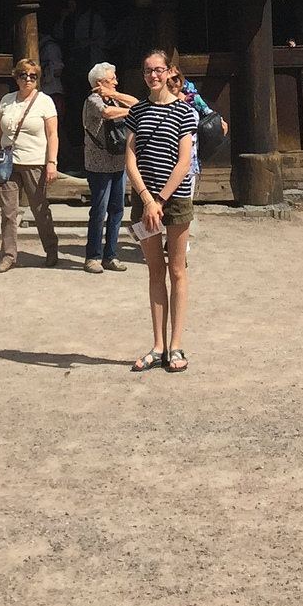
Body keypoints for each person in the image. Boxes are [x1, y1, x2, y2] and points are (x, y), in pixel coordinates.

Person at [125, 49, 197, 373]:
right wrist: (147, 199)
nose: (153, 75)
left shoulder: (184, 112)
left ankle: (176, 345)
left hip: (174, 199)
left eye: (158, 69)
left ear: (169, 72)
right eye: (148, 71)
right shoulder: (137, 112)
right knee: (155, 271)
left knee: (177, 270)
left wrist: (161, 201)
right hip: (144, 201)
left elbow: (184, 162)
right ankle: (158, 345)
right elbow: (130, 160)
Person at [0, 60, 60, 273]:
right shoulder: (6, 100)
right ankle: (8, 255)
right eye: (23, 75)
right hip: (8, 162)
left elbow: (53, 134)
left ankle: (51, 249)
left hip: (35, 162)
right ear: (16, 77)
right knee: (8, 211)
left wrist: (52, 162)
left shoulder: (45, 102)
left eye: (33, 76)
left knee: (40, 209)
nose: (28, 79)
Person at [81, 63, 135, 274]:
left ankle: (110, 255)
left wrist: (116, 95)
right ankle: (92, 257)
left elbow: (137, 103)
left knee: (117, 210)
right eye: (112, 79)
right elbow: (108, 113)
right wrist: (132, 111)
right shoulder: (93, 100)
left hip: (118, 162)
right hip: (99, 165)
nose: (116, 82)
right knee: (99, 210)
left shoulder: (115, 98)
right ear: (100, 82)